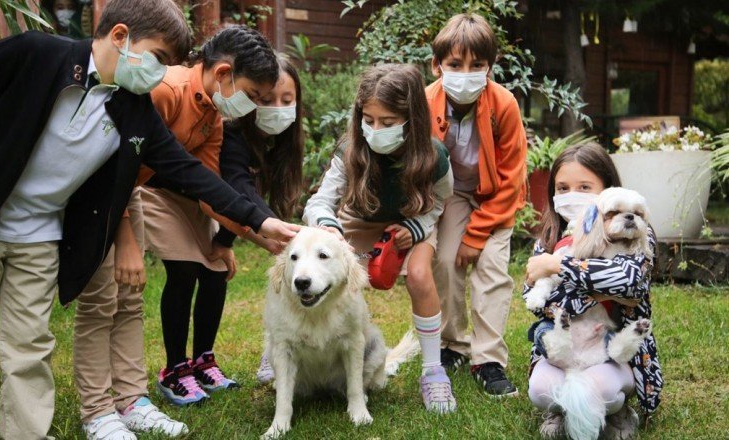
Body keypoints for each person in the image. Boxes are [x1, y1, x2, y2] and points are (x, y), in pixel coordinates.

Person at [0, 0, 298, 438]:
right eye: (158, 59)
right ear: (119, 37)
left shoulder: (134, 108)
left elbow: (193, 176)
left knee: (29, 348)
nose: (161, 72)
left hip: (38, 235)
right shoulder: (35, 53)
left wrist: (259, 224)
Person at [137, 25, 282, 407]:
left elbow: (212, 190)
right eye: (252, 95)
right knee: (184, 268)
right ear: (222, 73)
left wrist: (249, 238)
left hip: (187, 198)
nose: (252, 105)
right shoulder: (165, 92)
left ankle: (202, 359)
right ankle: (174, 368)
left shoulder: (214, 114)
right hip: (146, 191)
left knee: (216, 269)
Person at [303, 63, 457, 413]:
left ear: (412, 118)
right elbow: (320, 201)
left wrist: (418, 228)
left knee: (420, 276)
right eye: (368, 120)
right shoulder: (351, 150)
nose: (375, 129)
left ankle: (433, 372)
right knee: (318, 268)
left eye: (387, 123)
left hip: (410, 223)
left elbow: (441, 200)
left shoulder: (434, 157)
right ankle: (284, 350)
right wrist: (329, 227)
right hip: (358, 220)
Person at [523, 143, 662, 439]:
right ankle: (562, 411)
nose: (572, 194)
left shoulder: (638, 232)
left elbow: (628, 280)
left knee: (602, 390)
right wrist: (596, 291)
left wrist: (557, 267)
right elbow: (534, 301)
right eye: (562, 187)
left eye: (584, 186)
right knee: (541, 390)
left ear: (607, 188)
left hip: (613, 350)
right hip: (568, 343)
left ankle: (619, 411)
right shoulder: (549, 238)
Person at [425, 12, 527, 397]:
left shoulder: (504, 105)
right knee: (445, 262)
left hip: (495, 197)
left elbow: (513, 177)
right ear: (437, 65)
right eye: (454, 64)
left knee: (491, 271)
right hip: (449, 193)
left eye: (477, 65)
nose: (465, 73)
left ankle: (488, 359)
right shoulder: (424, 102)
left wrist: (478, 234)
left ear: (490, 66)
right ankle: (453, 344)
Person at [213, 54, 305, 384]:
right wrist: (267, 229)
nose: (278, 107)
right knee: (194, 270)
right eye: (267, 100)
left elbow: (253, 197)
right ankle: (188, 364)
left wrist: (225, 241)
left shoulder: (283, 141)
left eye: (287, 100)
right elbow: (236, 188)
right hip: (194, 202)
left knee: (283, 260)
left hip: (229, 212)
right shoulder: (234, 134)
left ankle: (275, 348)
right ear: (253, 99)